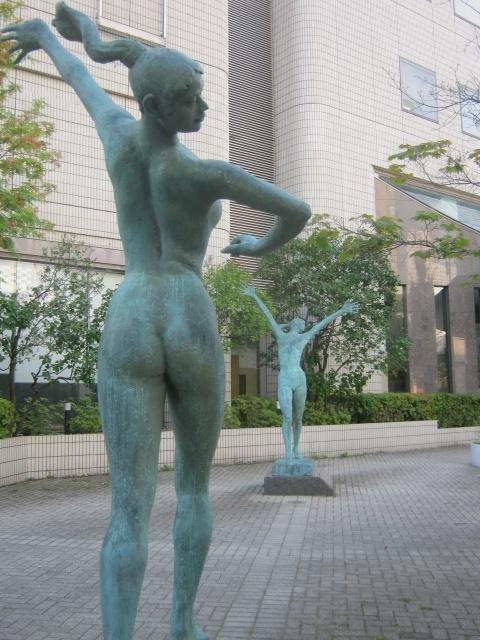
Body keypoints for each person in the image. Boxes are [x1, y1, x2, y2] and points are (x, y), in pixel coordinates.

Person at [1, 4, 311, 640]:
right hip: (188, 310)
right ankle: (183, 622)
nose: (202, 108)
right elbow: (297, 211)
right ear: (153, 105)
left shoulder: (117, 133)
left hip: (133, 310)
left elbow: (81, 78)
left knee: (128, 510)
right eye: (188, 100)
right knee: (193, 489)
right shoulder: (206, 174)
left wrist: (47, 36)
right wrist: (258, 246)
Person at [243, 286, 358, 460]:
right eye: (302, 324)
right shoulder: (282, 336)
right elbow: (269, 317)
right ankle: (288, 452)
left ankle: (296, 449)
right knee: (287, 417)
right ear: (297, 325)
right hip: (285, 379)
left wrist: (341, 311)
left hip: (299, 379)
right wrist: (255, 296)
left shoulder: (299, 337)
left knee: (298, 418)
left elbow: (320, 324)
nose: (304, 326)